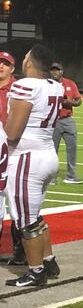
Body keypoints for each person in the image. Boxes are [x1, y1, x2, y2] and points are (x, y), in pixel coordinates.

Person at [4, 45, 64, 286]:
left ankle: (36, 271)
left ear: (29, 62)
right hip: (47, 154)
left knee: (25, 220)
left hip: (26, 158)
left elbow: (12, 132)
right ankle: (48, 261)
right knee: (34, 214)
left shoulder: (25, 85)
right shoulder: (55, 86)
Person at [0, 51, 25, 266]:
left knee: (17, 201)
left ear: (12, 68)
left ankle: (20, 251)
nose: (1, 66)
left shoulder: (19, 88)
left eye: (5, 64)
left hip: (15, 150)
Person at [50, 62, 83, 184]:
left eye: (57, 70)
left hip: (68, 120)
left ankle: (71, 175)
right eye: (53, 70)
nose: (55, 72)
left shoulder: (70, 83)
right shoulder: (47, 85)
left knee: (72, 148)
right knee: (52, 150)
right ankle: (51, 177)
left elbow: (79, 100)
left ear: (62, 71)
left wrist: (70, 102)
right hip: (53, 121)